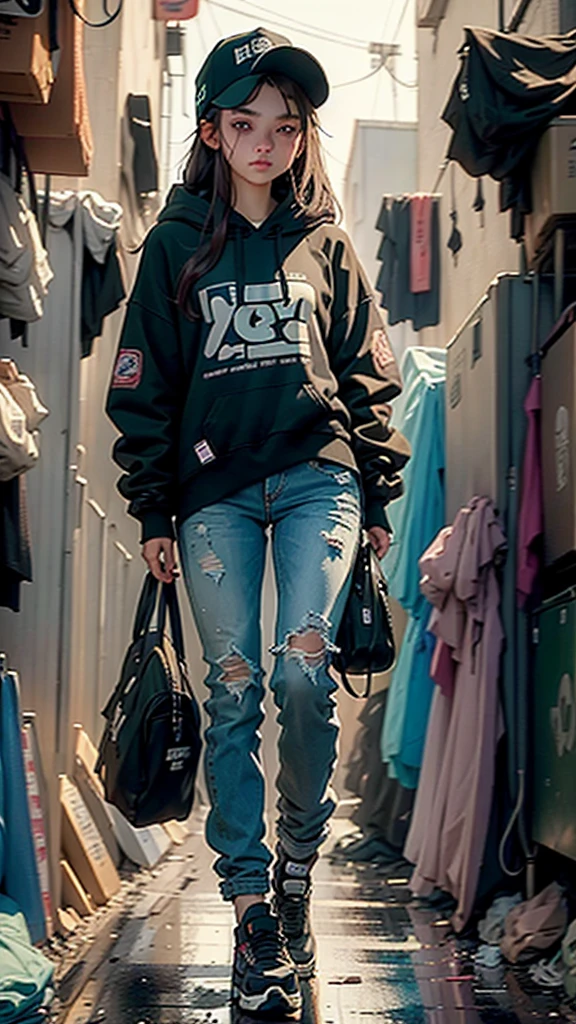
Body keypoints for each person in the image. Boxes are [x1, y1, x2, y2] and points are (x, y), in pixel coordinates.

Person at [106, 27, 409, 1021]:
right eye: (247, 125)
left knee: (299, 672)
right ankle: (248, 912)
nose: (266, 143)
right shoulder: (175, 243)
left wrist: (379, 492)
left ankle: (294, 871)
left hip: (319, 479)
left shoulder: (326, 241)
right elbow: (145, 384)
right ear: (214, 131)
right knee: (234, 689)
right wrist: (152, 501)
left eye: (285, 126)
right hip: (212, 494)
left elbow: (369, 371)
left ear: (299, 136)